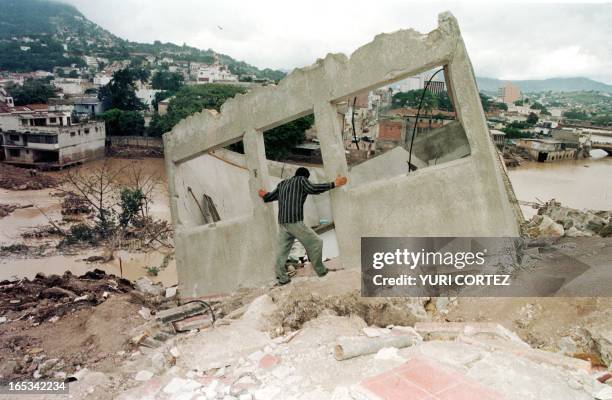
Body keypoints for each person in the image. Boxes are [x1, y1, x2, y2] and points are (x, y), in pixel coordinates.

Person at [258, 167, 348, 285]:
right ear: (306, 176)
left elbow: (269, 198)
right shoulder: (301, 180)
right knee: (316, 242)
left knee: (282, 252)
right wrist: (334, 184)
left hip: (283, 223)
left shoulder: (283, 184)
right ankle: (321, 271)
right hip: (295, 222)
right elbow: (313, 188)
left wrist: (264, 194)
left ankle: (282, 278)